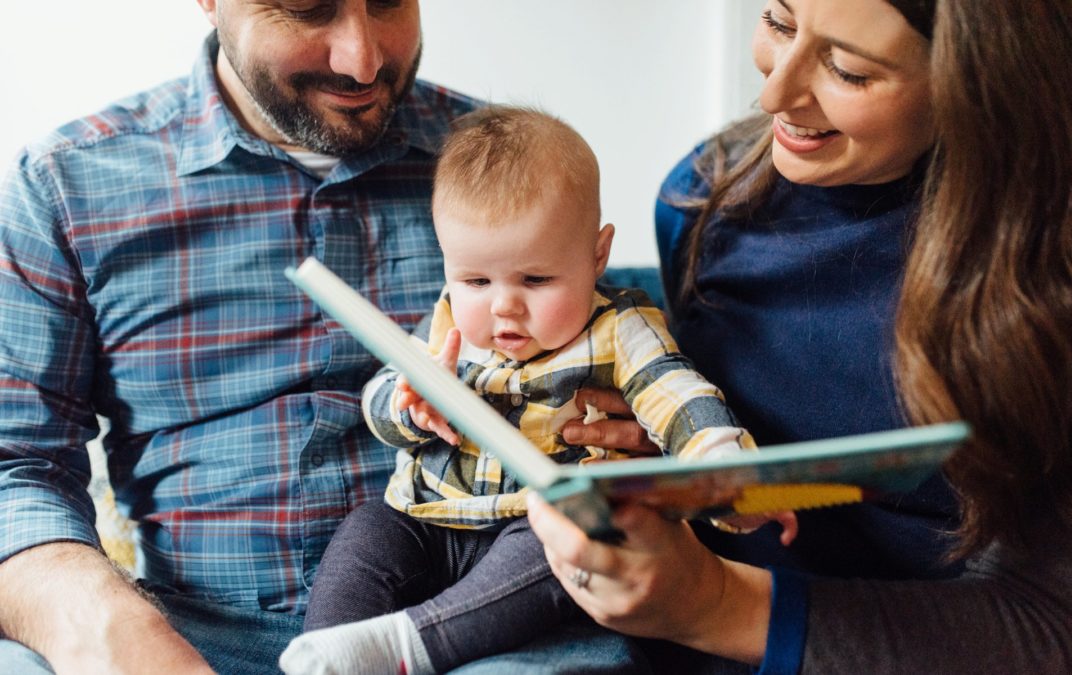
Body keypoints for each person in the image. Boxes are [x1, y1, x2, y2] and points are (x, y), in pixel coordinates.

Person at [0, 4, 642, 674]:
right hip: (192, 639)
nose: (361, 61)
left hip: (491, 630)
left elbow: (635, 369)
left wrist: (643, 448)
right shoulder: (63, 189)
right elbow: (15, 468)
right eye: (308, 8)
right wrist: (113, 629)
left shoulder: (513, 172)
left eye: (391, 1)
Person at [529, 0, 1072, 671]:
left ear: (980, 85)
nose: (772, 93)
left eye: (849, 71)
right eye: (779, 22)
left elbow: (1052, 627)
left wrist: (715, 603)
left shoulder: (1051, 291)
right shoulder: (702, 194)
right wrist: (676, 441)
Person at [279, 106, 792, 675]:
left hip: (538, 527)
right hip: (428, 515)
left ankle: (410, 646)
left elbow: (679, 396)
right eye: (476, 280)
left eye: (535, 279)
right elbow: (378, 396)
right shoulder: (449, 322)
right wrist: (407, 408)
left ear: (597, 255)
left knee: (571, 551)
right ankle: (329, 650)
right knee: (366, 531)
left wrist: (729, 477)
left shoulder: (618, 329)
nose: (504, 306)